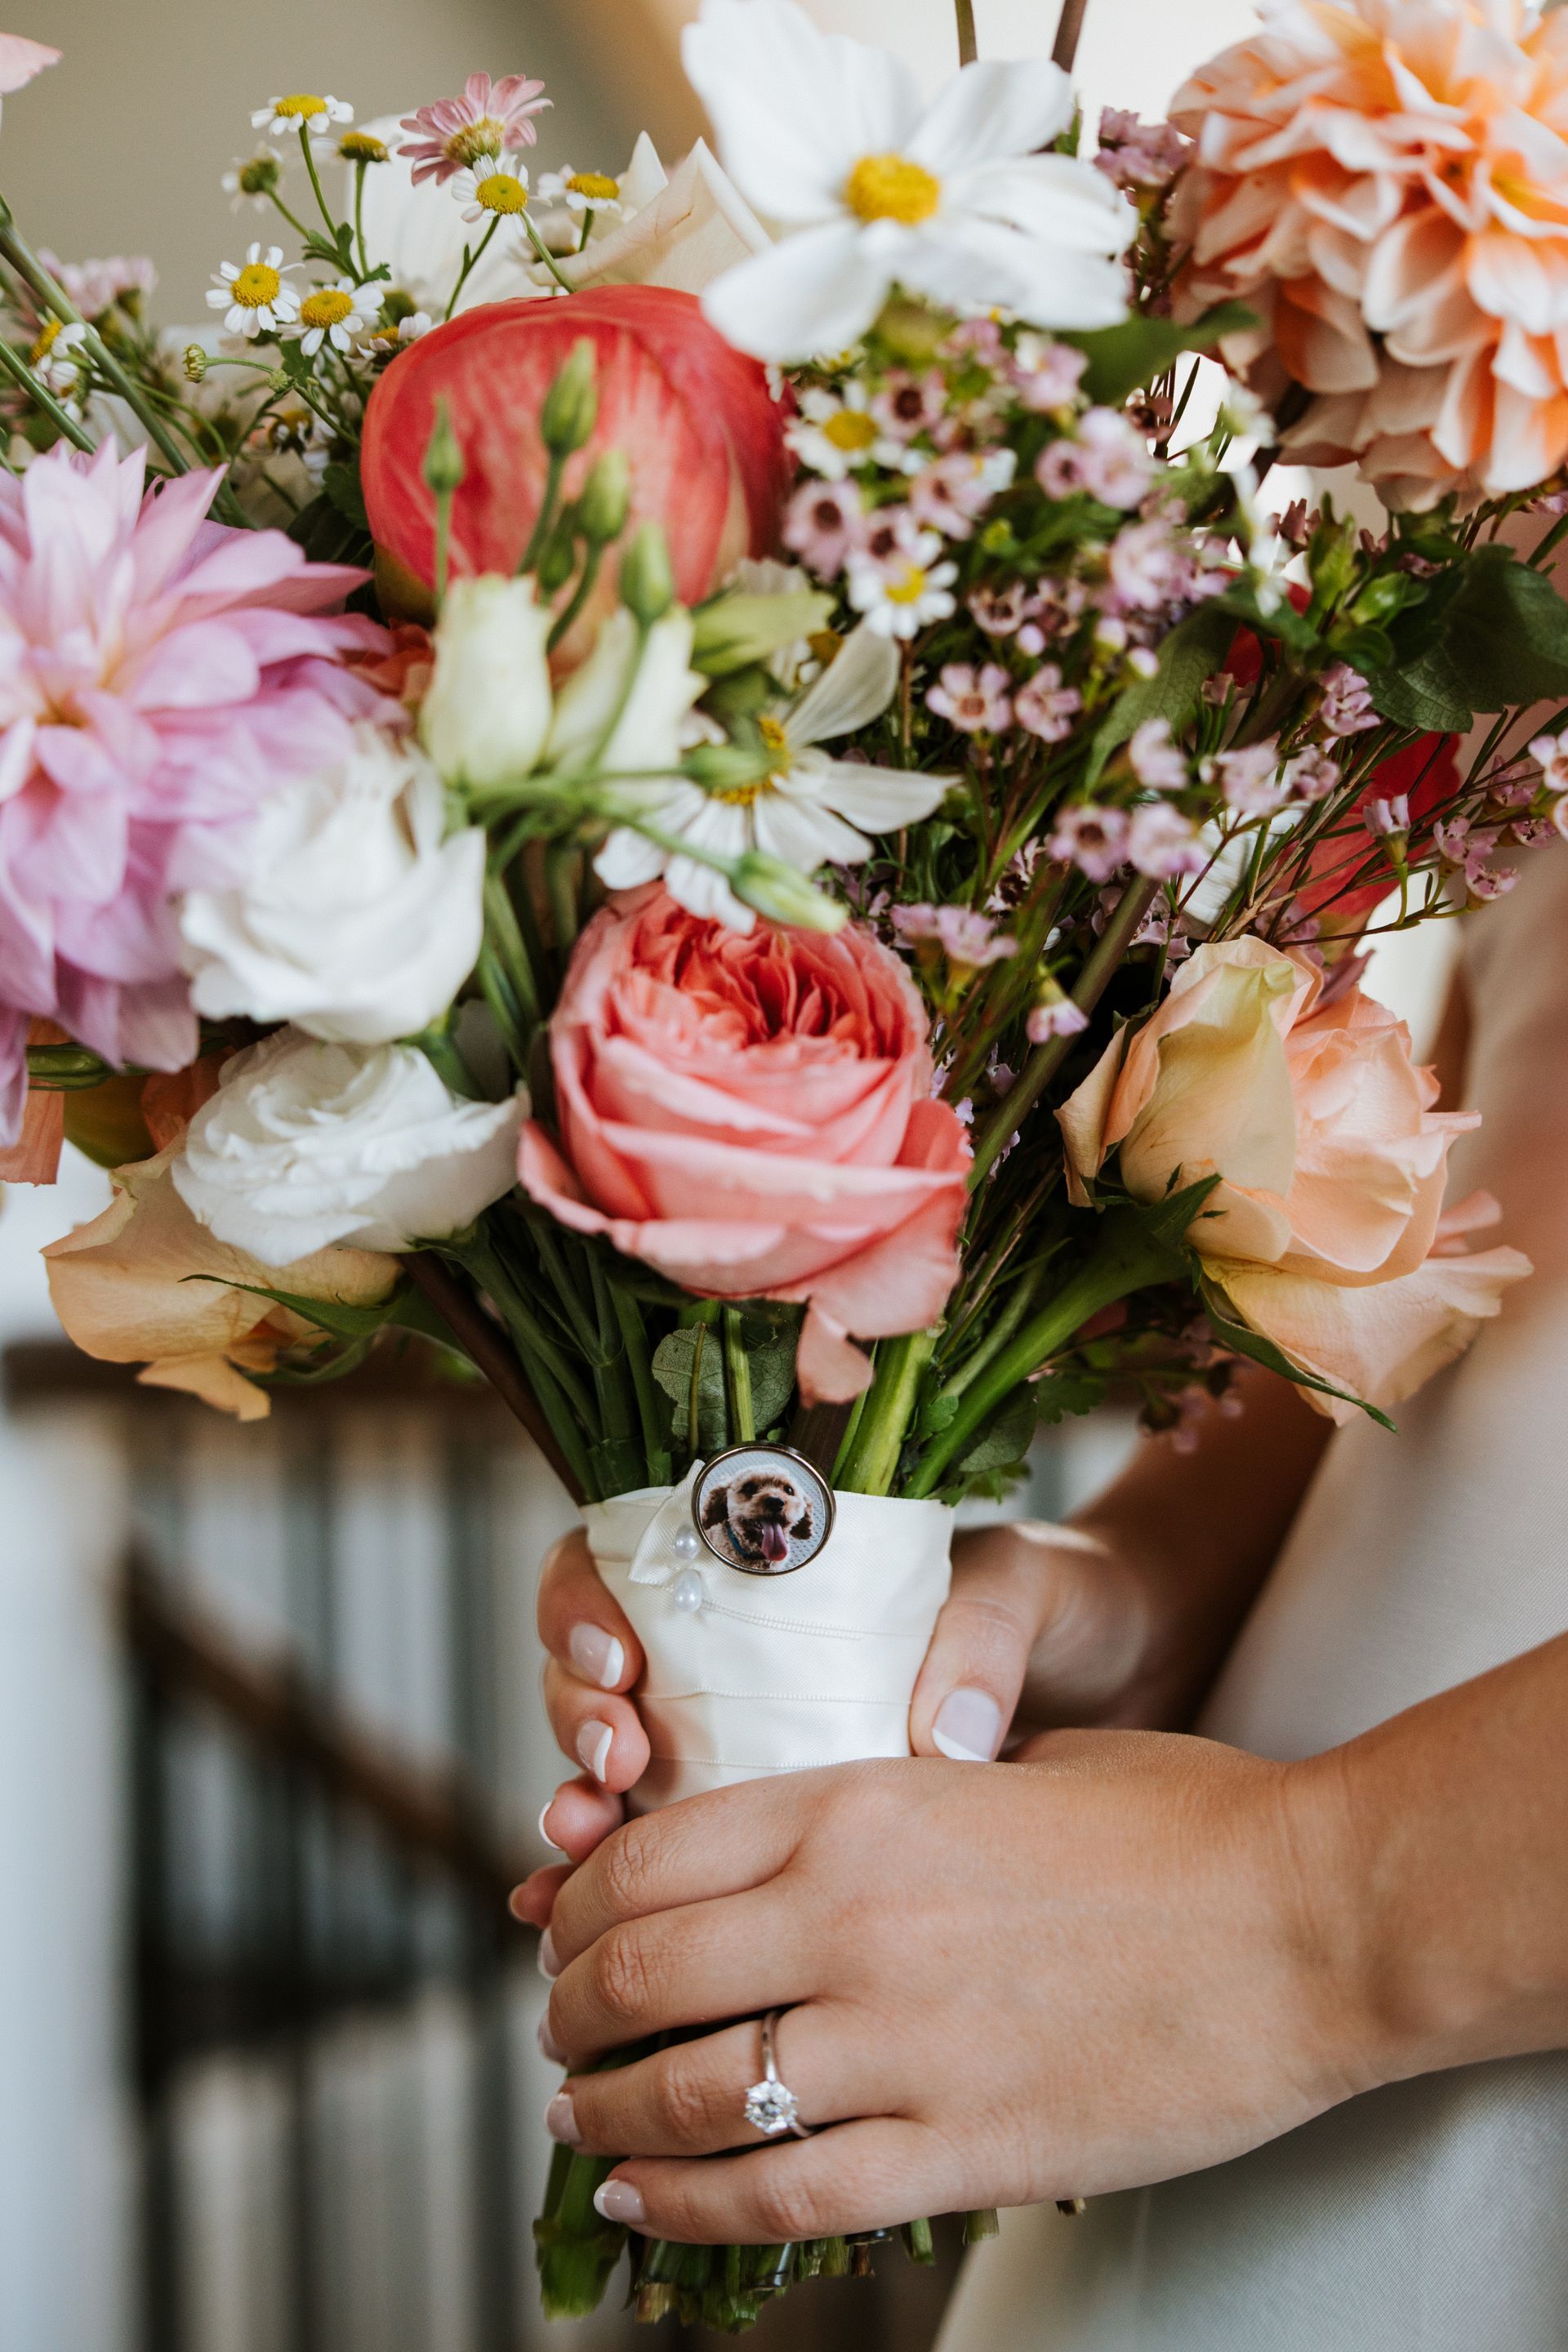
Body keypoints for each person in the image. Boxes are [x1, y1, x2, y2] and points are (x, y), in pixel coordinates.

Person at [511, 838, 1568, 2351]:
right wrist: (1145, 1601)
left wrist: (1297, 1914)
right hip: (1185, 2035)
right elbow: (1471, 1220)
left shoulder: (1281, 1926)